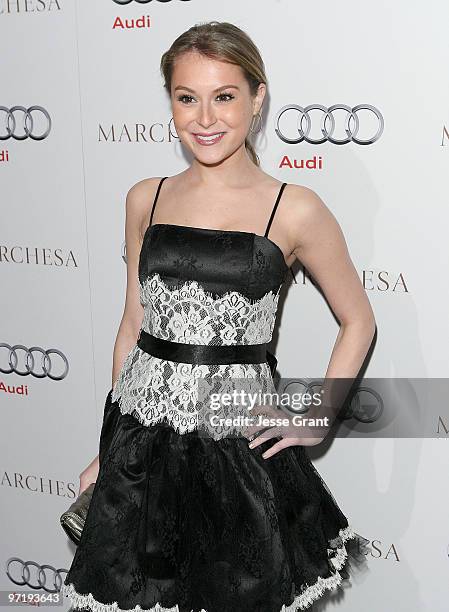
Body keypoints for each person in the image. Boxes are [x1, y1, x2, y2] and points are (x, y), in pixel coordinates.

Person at [62, 20, 375, 612]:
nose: (205, 118)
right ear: (171, 104)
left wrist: (318, 416)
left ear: (257, 101)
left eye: (224, 97)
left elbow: (358, 319)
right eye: (187, 98)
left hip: (235, 453)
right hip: (143, 452)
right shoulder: (144, 197)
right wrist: (111, 449)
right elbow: (133, 328)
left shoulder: (294, 207)